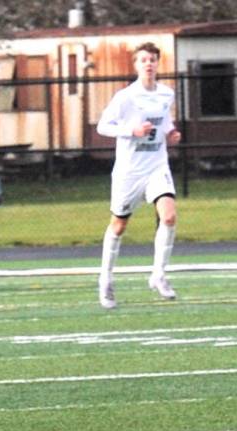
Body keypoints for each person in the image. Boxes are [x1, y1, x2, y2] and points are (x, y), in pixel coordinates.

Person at [96, 41, 181, 309]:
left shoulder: (166, 94)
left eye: (152, 59)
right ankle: (105, 280)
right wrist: (131, 131)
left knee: (169, 216)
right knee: (118, 226)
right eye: (143, 60)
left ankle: (158, 275)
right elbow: (103, 126)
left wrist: (171, 133)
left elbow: (164, 122)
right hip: (130, 171)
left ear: (157, 63)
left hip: (156, 166)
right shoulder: (126, 97)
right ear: (136, 65)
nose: (148, 64)